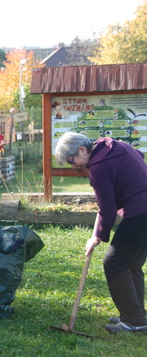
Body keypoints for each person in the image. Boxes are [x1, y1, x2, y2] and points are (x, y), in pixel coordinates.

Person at [54, 132, 147, 334]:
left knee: (115, 263)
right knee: (131, 264)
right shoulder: (114, 146)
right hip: (144, 208)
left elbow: (107, 209)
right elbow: (139, 155)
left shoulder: (99, 167)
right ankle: (136, 316)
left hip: (141, 211)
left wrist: (97, 237)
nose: (73, 165)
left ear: (82, 149)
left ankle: (134, 321)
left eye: (72, 160)